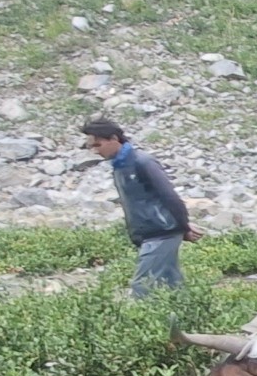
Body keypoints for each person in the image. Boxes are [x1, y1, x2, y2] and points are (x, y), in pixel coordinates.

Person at [81, 120, 198, 296]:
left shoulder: (142, 162)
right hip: (149, 234)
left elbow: (169, 196)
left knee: (142, 286)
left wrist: (184, 226)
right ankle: (186, 321)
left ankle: (139, 321)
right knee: (172, 284)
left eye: (98, 145)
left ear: (114, 139)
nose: (95, 151)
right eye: (91, 147)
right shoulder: (119, 166)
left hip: (162, 232)